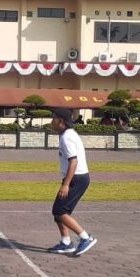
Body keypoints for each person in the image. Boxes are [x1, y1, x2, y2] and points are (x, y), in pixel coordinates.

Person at [46, 108, 97, 256]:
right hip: (75, 178)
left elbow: (73, 162)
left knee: (60, 211)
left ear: (60, 121)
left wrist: (66, 184)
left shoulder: (67, 137)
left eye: (53, 118)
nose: (51, 121)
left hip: (77, 179)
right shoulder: (67, 135)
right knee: (58, 213)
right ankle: (66, 243)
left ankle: (85, 238)